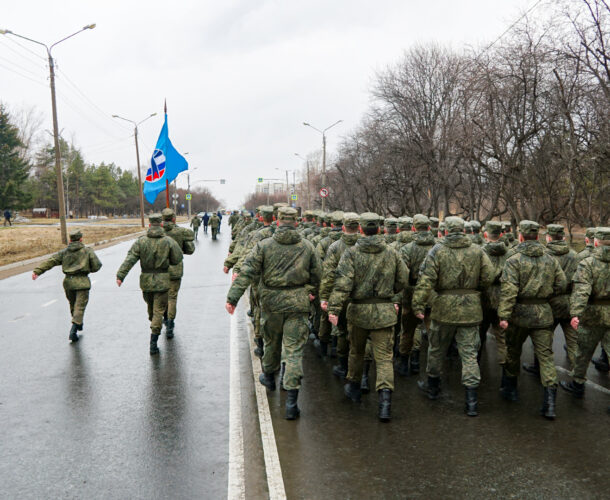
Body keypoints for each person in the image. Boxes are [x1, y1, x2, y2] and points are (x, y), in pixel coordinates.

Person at [226, 207, 321, 420]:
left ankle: (269, 376)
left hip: (271, 303)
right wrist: (311, 292)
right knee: (294, 350)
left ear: (278, 222)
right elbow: (318, 275)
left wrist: (232, 298)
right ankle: (291, 403)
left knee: (271, 342)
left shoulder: (264, 246)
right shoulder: (307, 247)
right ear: (296, 222)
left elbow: (247, 272)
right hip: (297, 304)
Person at [329, 212, 409, 422]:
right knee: (384, 358)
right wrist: (392, 293)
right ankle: (385, 404)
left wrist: (333, 309)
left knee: (356, 352)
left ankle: (354, 387)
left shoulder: (351, 254)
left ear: (361, 229)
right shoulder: (391, 252)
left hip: (359, 311)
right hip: (384, 311)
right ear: (380, 229)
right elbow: (404, 278)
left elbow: (342, 284)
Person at [413, 216, 494, 417]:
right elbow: (488, 276)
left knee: (437, 349)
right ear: (464, 231)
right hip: (470, 309)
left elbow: (426, 280)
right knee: (469, 354)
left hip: (444, 308)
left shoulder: (437, 251)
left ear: (446, 231)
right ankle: (471, 400)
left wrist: (418, 304)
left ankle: (433, 386)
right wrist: (474, 290)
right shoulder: (477, 250)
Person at [497, 220, 566, 420]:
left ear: (520, 236)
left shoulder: (514, 260)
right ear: (537, 236)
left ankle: (510, 390)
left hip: (519, 313)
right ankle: (550, 403)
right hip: (543, 312)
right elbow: (561, 284)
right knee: (545, 357)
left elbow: (509, 291)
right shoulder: (550, 259)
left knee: (513, 351)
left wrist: (504, 315)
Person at [116, 214, 183, 355]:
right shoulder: (168, 241)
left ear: (149, 225)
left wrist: (121, 275)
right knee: (157, 311)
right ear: (161, 225)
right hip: (163, 280)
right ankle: (154, 339)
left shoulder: (141, 242)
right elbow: (177, 259)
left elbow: (130, 259)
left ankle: (154, 335)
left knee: (152, 310)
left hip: (146, 281)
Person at [560, 227, 610, 412]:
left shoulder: (588, 263)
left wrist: (576, 313)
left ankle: (578, 386)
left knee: (583, 352)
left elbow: (582, 291)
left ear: (595, 242)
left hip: (592, 315)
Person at [32, 229, 102, 342]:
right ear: (81, 239)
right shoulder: (87, 251)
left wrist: (37, 271)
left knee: (73, 305)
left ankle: (77, 323)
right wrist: (88, 269)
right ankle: (74, 329)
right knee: (80, 306)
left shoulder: (64, 252)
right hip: (82, 282)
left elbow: (52, 261)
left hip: (68, 283)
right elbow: (97, 266)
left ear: (70, 240)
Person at [320, 212, 361, 378]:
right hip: (361, 298)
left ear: (343, 228)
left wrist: (325, 296)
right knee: (361, 335)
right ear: (359, 227)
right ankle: (361, 375)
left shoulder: (335, 247)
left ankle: (343, 367)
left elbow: (328, 274)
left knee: (342, 332)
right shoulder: (364, 245)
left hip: (340, 296)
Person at [396, 214, 436, 376]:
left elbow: (402, 276)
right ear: (429, 228)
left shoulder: (407, 249)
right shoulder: (438, 247)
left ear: (413, 228)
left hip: (411, 295)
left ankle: (406, 363)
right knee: (434, 335)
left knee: (408, 331)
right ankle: (432, 371)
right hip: (433, 295)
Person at [479, 221, 509, 372]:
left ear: (485, 235)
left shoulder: (479, 253)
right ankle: (507, 376)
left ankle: (475, 370)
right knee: (502, 339)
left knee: (478, 336)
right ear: (501, 235)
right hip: (502, 301)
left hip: (482, 301)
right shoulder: (509, 254)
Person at [314, 211, 344, 357]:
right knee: (342, 315)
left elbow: (319, 264)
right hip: (345, 285)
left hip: (328, 282)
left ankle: (324, 346)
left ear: (331, 225)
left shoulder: (324, 242)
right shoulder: (351, 242)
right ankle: (336, 345)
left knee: (325, 316)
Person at [162, 208, 195, 338]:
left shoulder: (158, 231)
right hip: (175, 270)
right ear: (174, 219)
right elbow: (191, 235)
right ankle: (170, 323)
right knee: (172, 297)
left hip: (160, 271)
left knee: (162, 296)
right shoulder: (180, 231)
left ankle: (164, 317)